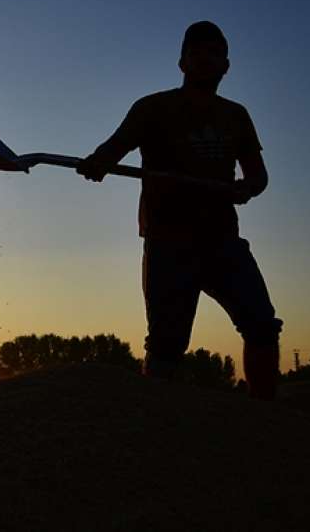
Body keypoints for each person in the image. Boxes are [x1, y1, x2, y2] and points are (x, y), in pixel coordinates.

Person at [76, 21, 282, 400]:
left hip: (222, 240)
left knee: (262, 325)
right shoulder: (152, 109)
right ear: (182, 62)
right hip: (168, 241)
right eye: (196, 53)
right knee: (167, 346)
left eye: (214, 54)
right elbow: (113, 149)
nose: (205, 60)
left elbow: (258, 175)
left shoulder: (236, 116)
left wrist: (247, 188)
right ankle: (157, 426)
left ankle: (264, 413)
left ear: (226, 65)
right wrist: (97, 163)